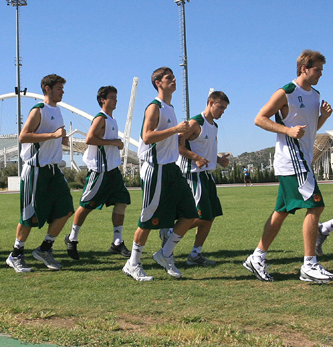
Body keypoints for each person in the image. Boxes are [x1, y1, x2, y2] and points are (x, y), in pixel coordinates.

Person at [244, 50, 333, 283]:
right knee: (315, 206)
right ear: (304, 68)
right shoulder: (286, 92)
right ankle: (309, 265)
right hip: (292, 161)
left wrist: (323, 117)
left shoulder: (315, 95)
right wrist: (287, 130)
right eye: (318, 70)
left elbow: (310, 128)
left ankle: (257, 256)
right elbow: (259, 118)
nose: (321, 74)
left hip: (302, 160)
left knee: (281, 212)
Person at [122, 67, 198, 281]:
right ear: (158, 83)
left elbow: (165, 138)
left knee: (190, 213)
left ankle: (164, 254)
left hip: (171, 168)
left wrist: (178, 139)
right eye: (169, 78)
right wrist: (174, 131)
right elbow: (147, 137)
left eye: (174, 77)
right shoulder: (154, 107)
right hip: (155, 169)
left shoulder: (170, 108)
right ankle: (133, 263)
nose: (174, 80)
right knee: (147, 218)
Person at [6, 74, 74, 273]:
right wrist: (53, 135)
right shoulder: (38, 110)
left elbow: (55, 135)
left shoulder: (58, 111)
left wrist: (62, 140)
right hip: (36, 170)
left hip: (54, 170)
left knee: (66, 209)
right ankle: (16, 254)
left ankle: (44, 249)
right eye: (59, 88)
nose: (62, 91)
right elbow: (23, 136)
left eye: (62, 88)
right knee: (29, 215)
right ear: (47, 89)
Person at [64, 86, 131, 260]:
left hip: (113, 170)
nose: (116, 100)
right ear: (103, 99)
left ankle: (117, 242)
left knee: (122, 201)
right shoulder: (100, 118)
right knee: (86, 206)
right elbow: (89, 139)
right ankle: (72, 238)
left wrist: (115, 144)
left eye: (116, 97)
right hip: (100, 170)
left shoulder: (112, 119)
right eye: (112, 97)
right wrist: (114, 142)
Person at [173, 91, 231, 266]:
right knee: (200, 215)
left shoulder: (214, 126)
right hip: (192, 174)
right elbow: (177, 146)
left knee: (210, 215)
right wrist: (195, 157)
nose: (222, 111)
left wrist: (219, 160)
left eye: (224, 109)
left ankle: (195, 254)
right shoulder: (195, 123)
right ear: (210, 103)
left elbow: (207, 151)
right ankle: (170, 234)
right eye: (220, 107)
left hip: (207, 175)